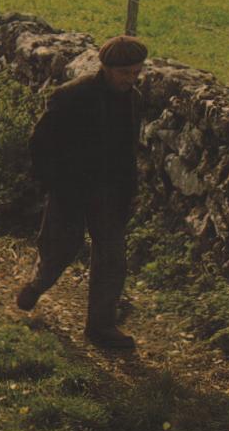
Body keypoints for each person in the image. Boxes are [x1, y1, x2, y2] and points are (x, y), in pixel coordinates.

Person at [16, 34, 147, 350]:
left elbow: (128, 149)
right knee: (59, 249)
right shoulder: (73, 96)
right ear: (106, 68)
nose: (131, 79)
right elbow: (40, 142)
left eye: (136, 72)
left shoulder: (134, 99)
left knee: (112, 257)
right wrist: (54, 184)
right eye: (125, 73)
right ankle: (36, 285)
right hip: (70, 188)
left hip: (109, 191)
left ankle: (100, 327)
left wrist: (129, 189)